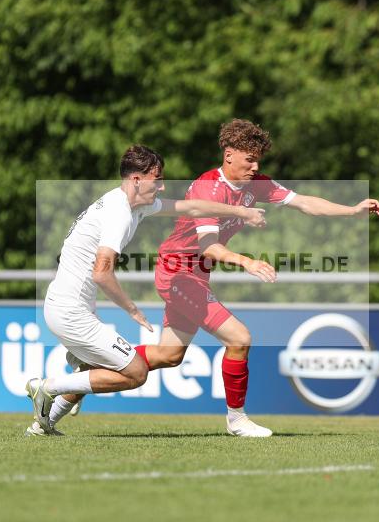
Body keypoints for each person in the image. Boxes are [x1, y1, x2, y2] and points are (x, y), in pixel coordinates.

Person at [142, 119, 379, 437]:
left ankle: (91, 367)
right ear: (228, 154)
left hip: (195, 276)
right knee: (239, 338)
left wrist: (352, 210)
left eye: (258, 160)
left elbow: (305, 203)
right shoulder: (206, 187)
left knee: (168, 356)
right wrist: (247, 262)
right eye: (249, 159)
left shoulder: (257, 185)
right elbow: (208, 247)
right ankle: (237, 420)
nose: (255, 166)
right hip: (177, 273)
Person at [25, 144, 267, 436]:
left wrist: (240, 211)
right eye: (158, 178)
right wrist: (132, 309)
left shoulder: (132, 203)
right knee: (135, 372)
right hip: (71, 313)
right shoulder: (119, 213)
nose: (163, 186)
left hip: (68, 306)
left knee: (109, 365)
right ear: (137, 180)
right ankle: (47, 387)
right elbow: (101, 273)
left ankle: (43, 425)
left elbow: (191, 207)